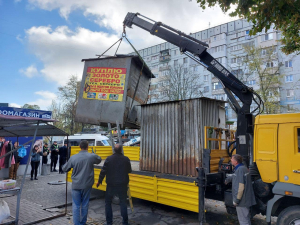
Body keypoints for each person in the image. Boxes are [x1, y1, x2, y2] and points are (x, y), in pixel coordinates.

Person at [62, 140, 101, 225]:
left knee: (76, 205)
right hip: (87, 185)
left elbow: (65, 168)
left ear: (79, 146)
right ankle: (83, 222)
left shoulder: (73, 157)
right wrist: (92, 153)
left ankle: (77, 223)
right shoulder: (91, 156)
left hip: (76, 184)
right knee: (85, 204)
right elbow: (99, 159)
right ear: (88, 147)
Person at [97, 144, 132, 225]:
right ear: (121, 150)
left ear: (114, 150)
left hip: (111, 185)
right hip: (122, 184)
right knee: (123, 202)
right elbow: (129, 170)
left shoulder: (109, 159)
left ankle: (109, 222)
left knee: (108, 202)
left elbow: (103, 171)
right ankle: (125, 222)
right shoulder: (126, 159)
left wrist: (99, 181)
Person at [225, 154, 256, 225]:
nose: (231, 160)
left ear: (236, 162)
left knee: (243, 221)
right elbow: (237, 176)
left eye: (232, 159)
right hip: (246, 199)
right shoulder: (243, 168)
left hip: (242, 201)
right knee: (246, 218)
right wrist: (229, 179)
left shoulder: (239, 170)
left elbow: (240, 187)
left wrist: (236, 200)